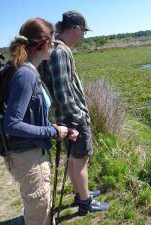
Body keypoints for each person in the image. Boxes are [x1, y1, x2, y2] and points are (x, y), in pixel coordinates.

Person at [3, 18, 79, 225]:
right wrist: (52, 132)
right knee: (38, 211)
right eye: (53, 39)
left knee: (44, 207)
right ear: (44, 42)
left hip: (29, 152)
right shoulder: (26, 74)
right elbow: (12, 124)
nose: (55, 45)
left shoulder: (26, 70)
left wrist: (55, 128)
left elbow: (29, 116)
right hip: (26, 156)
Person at [40, 10, 109, 215]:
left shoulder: (55, 48)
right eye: (83, 31)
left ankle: (82, 193)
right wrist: (80, 116)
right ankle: (85, 202)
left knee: (74, 159)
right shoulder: (60, 52)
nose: (84, 35)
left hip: (64, 118)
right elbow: (63, 93)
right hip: (72, 118)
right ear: (75, 28)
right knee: (81, 160)